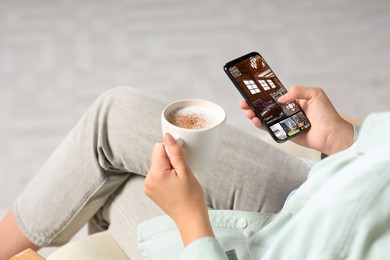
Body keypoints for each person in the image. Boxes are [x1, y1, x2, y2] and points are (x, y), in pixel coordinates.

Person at [0, 86, 389, 260]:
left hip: (278, 245)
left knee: (123, 187)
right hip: (317, 197)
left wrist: (190, 221)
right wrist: (343, 142)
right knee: (116, 114)